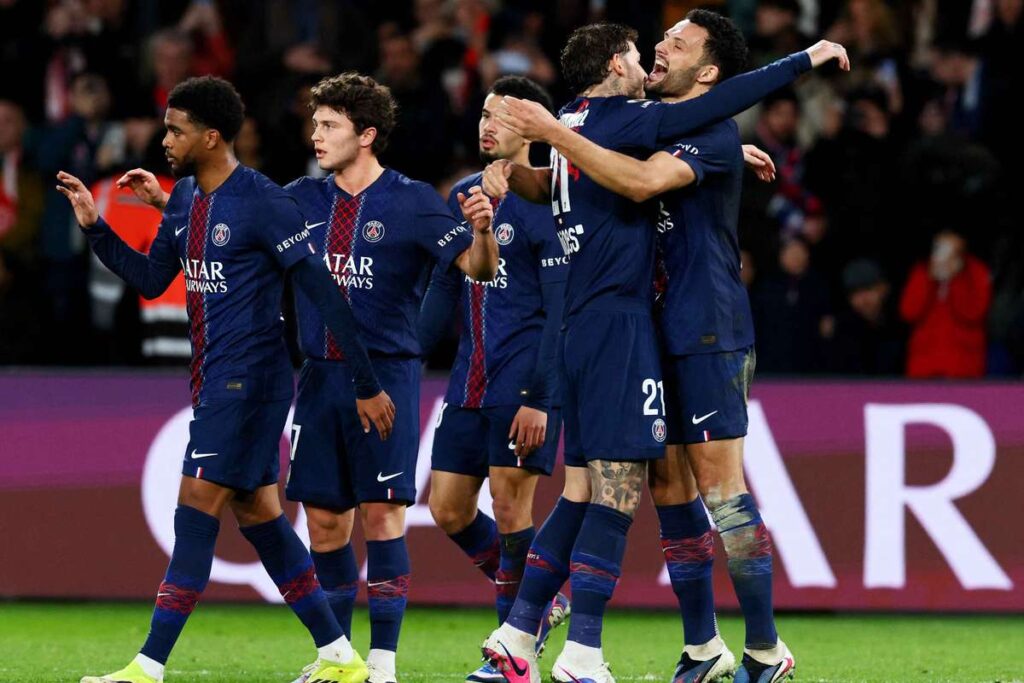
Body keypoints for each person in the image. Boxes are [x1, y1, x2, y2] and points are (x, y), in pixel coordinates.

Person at [475, 20, 848, 683]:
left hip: (705, 329)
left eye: (677, 44)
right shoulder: (645, 123)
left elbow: (644, 182)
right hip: (647, 329)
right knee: (669, 489)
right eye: (662, 39)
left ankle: (766, 649)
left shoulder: (707, 129)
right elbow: (597, 168)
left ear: (707, 73)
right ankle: (703, 645)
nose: (660, 47)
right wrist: (524, 170)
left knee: (722, 492)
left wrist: (557, 135)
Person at [59, 75, 393, 683]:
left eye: (176, 130)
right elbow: (151, 279)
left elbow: (324, 293)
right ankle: (341, 656)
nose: (165, 140)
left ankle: (147, 667)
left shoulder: (263, 201)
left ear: (211, 137)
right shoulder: (185, 197)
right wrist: (94, 226)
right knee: (261, 518)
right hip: (213, 380)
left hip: (251, 382)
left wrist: (366, 382)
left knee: (195, 508)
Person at [282, 72, 499, 683]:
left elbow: (478, 269)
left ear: (367, 135)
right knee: (325, 523)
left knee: (382, 515)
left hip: (387, 380)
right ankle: (337, 659)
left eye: (330, 125)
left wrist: (483, 231)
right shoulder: (299, 198)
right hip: (319, 378)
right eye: (316, 124)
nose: (317, 135)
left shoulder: (412, 200)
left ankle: (382, 664)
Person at [417, 76, 570, 683]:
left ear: (530, 126)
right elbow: (445, 282)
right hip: (468, 383)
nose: (488, 125)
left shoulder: (548, 200)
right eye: (484, 114)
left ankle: (512, 655)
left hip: (522, 381)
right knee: (448, 508)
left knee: (511, 511)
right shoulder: (463, 194)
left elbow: (559, 310)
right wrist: (408, 353)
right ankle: (539, 603)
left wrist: (540, 397)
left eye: (502, 116)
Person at [899, 228, 991, 378]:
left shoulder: (976, 271)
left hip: (963, 365)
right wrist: (929, 279)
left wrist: (956, 278)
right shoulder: (922, 270)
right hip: (924, 365)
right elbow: (909, 312)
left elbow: (974, 313)